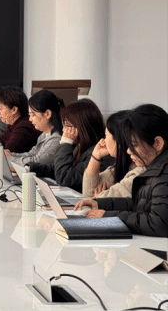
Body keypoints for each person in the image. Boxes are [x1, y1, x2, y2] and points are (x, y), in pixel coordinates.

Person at [75, 104, 168, 237]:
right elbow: (139, 204)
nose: (128, 151)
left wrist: (108, 217)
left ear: (157, 143)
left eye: (134, 145)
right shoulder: (155, 168)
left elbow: (158, 223)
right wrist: (100, 204)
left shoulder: (163, 173)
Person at [29, 98, 112, 192]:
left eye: (67, 125)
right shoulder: (79, 146)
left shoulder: (100, 153)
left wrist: (66, 142)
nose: (63, 130)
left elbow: (64, 177)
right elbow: (56, 168)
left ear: (82, 126)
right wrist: (30, 168)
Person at [82, 111, 145, 198]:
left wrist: (99, 197)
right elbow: (88, 194)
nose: (103, 141)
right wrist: (96, 157)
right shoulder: (122, 165)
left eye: (106, 136)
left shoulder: (140, 169)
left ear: (118, 140)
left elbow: (97, 200)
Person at [8, 89, 64, 167]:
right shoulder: (44, 135)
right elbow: (32, 154)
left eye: (33, 114)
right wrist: (10, 154)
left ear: (47, 114)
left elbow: (36, 161)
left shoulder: (56, 139)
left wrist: (9, 159)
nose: (30, 119)